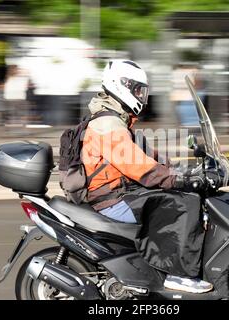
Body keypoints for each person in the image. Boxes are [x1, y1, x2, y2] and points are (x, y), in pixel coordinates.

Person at [81, 59, 213, 294]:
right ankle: (178, 274)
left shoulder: (118, 120)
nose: (142, 96)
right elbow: (138, 167)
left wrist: (181, 170)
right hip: (112, 199)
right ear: (122, 85)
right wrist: (177, 180)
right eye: (138, 90)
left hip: (121, 192)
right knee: (183, 202)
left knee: (179, 192)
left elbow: (148, 155)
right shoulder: (108, 123)